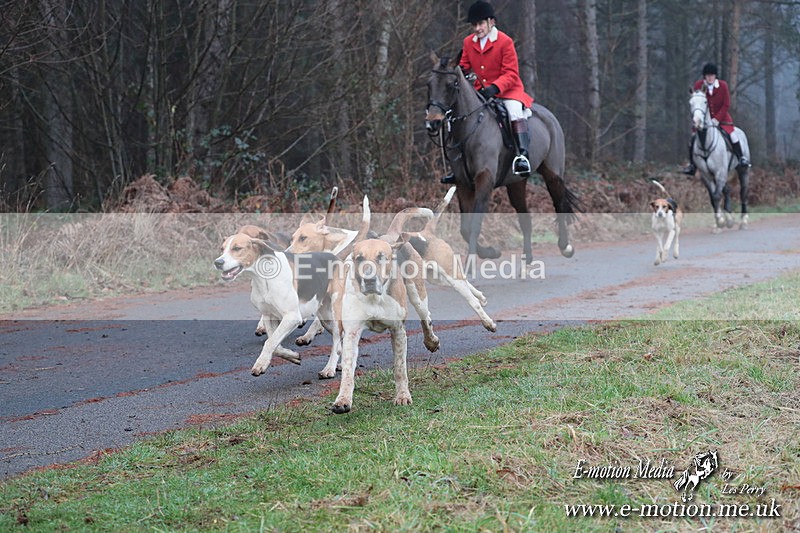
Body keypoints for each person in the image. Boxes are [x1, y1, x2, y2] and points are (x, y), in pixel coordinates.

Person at [440, 0, 533, 184]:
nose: (477, 28)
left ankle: (521, 156)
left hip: (507, 91)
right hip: (480, 92)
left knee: (514, 112)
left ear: (491, 22)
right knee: (455, 115)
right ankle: (457, 166)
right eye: (474, 24)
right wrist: (452, 68)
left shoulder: (505, 42)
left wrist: (495, 88)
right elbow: (464, 67)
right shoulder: (468, 42)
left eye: (481, 24)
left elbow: (511, 73)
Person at [683, 63, 750, 175]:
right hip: (703, 120)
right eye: (708, 75)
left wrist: (717, 119)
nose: (710, 78)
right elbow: (696, 103)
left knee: (733, 136)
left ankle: (741, 158)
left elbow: (726, 104)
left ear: (715, 76)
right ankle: (692, 165)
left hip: (722, 118)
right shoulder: (698, 85)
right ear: (704, 76)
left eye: (712, 75)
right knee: (693, 138)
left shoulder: (723, 85)